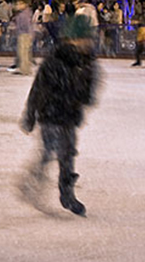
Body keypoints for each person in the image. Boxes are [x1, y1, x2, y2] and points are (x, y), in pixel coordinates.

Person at [17, 15, 99, 217]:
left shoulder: (87, 63)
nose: (88, 42)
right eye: (84, 38)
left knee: (68, 154)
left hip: (69, 117)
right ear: (73, 39)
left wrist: (84, 91)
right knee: (49, 152)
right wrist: (30, 115)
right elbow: (37, 89)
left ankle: (67, 194)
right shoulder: (54, 61)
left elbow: (87, 96)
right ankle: (31, 183)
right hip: (51, 115)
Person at [9, 0, 34, 75]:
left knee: (24, 53)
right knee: (23, 53)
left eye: (19, 4)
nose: (17, 6)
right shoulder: (22, 13)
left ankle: (25, 70)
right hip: (23, 34)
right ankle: (24, 68)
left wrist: (29, 35)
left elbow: (27, 26)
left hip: (24, 35)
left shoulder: (24, 14)